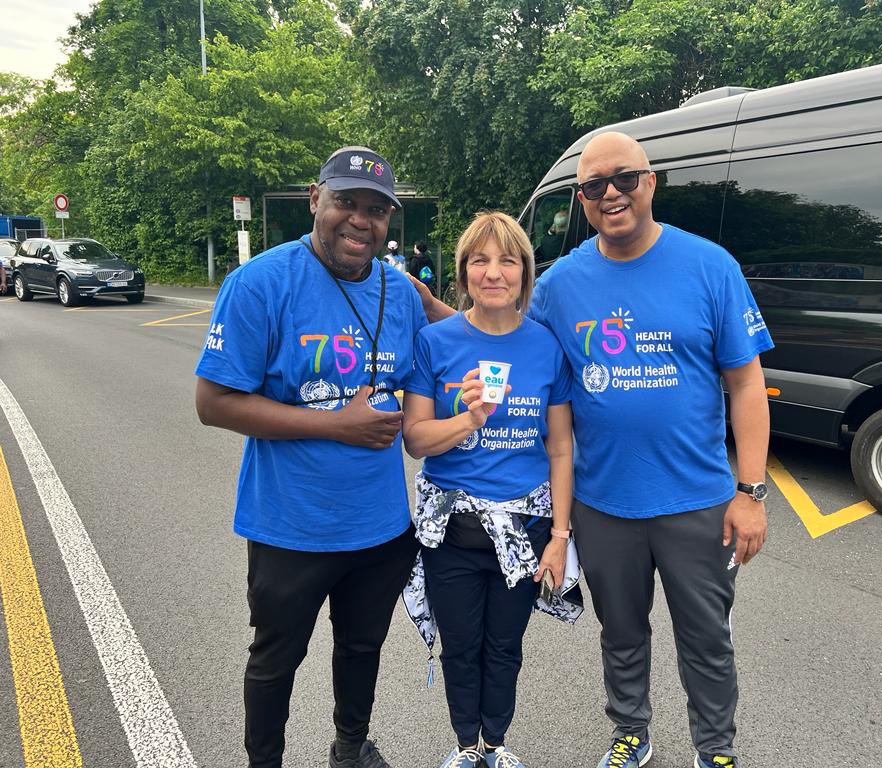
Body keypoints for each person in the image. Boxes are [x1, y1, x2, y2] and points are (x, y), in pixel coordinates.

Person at [412, 132, 772, 768]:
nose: (610, 194)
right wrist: (426, 314)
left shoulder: (711, 266)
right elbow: (500, 330)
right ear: (580, 200)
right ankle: (630, 733)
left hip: (698, 499)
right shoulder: (561, 283)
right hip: (604, 504)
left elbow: (746, 385)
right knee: (622, 635)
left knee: (707, 639)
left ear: (650, 182)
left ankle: (715, 750)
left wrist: (750, 492)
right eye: (593, 186)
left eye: (624, 179)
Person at [194, 146, 438, 768]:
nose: (360, 220)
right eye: (346, 203)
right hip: (289, 527)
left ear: (389, 222)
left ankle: (350, 750)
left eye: (376, 210)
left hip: (381, 528)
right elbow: (214, 402)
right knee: (276, 659)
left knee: (362, 650)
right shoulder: (260, 284)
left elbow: (453, 349)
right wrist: (335, 426)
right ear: (315, 200)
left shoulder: (402, 292)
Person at [402, 212, 574, 768]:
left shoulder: (547, 347)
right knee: (460, 648)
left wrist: (560, 538)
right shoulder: (435, 342)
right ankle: (464, 746)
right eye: (480, 260)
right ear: (463, 273)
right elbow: (416, 439)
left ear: (525, 273)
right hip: (450, 531)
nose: (493, 272)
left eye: (507, 261)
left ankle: (496, 745)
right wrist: (468, 421)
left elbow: (560, 450)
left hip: (525, 531)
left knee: (504, 648)